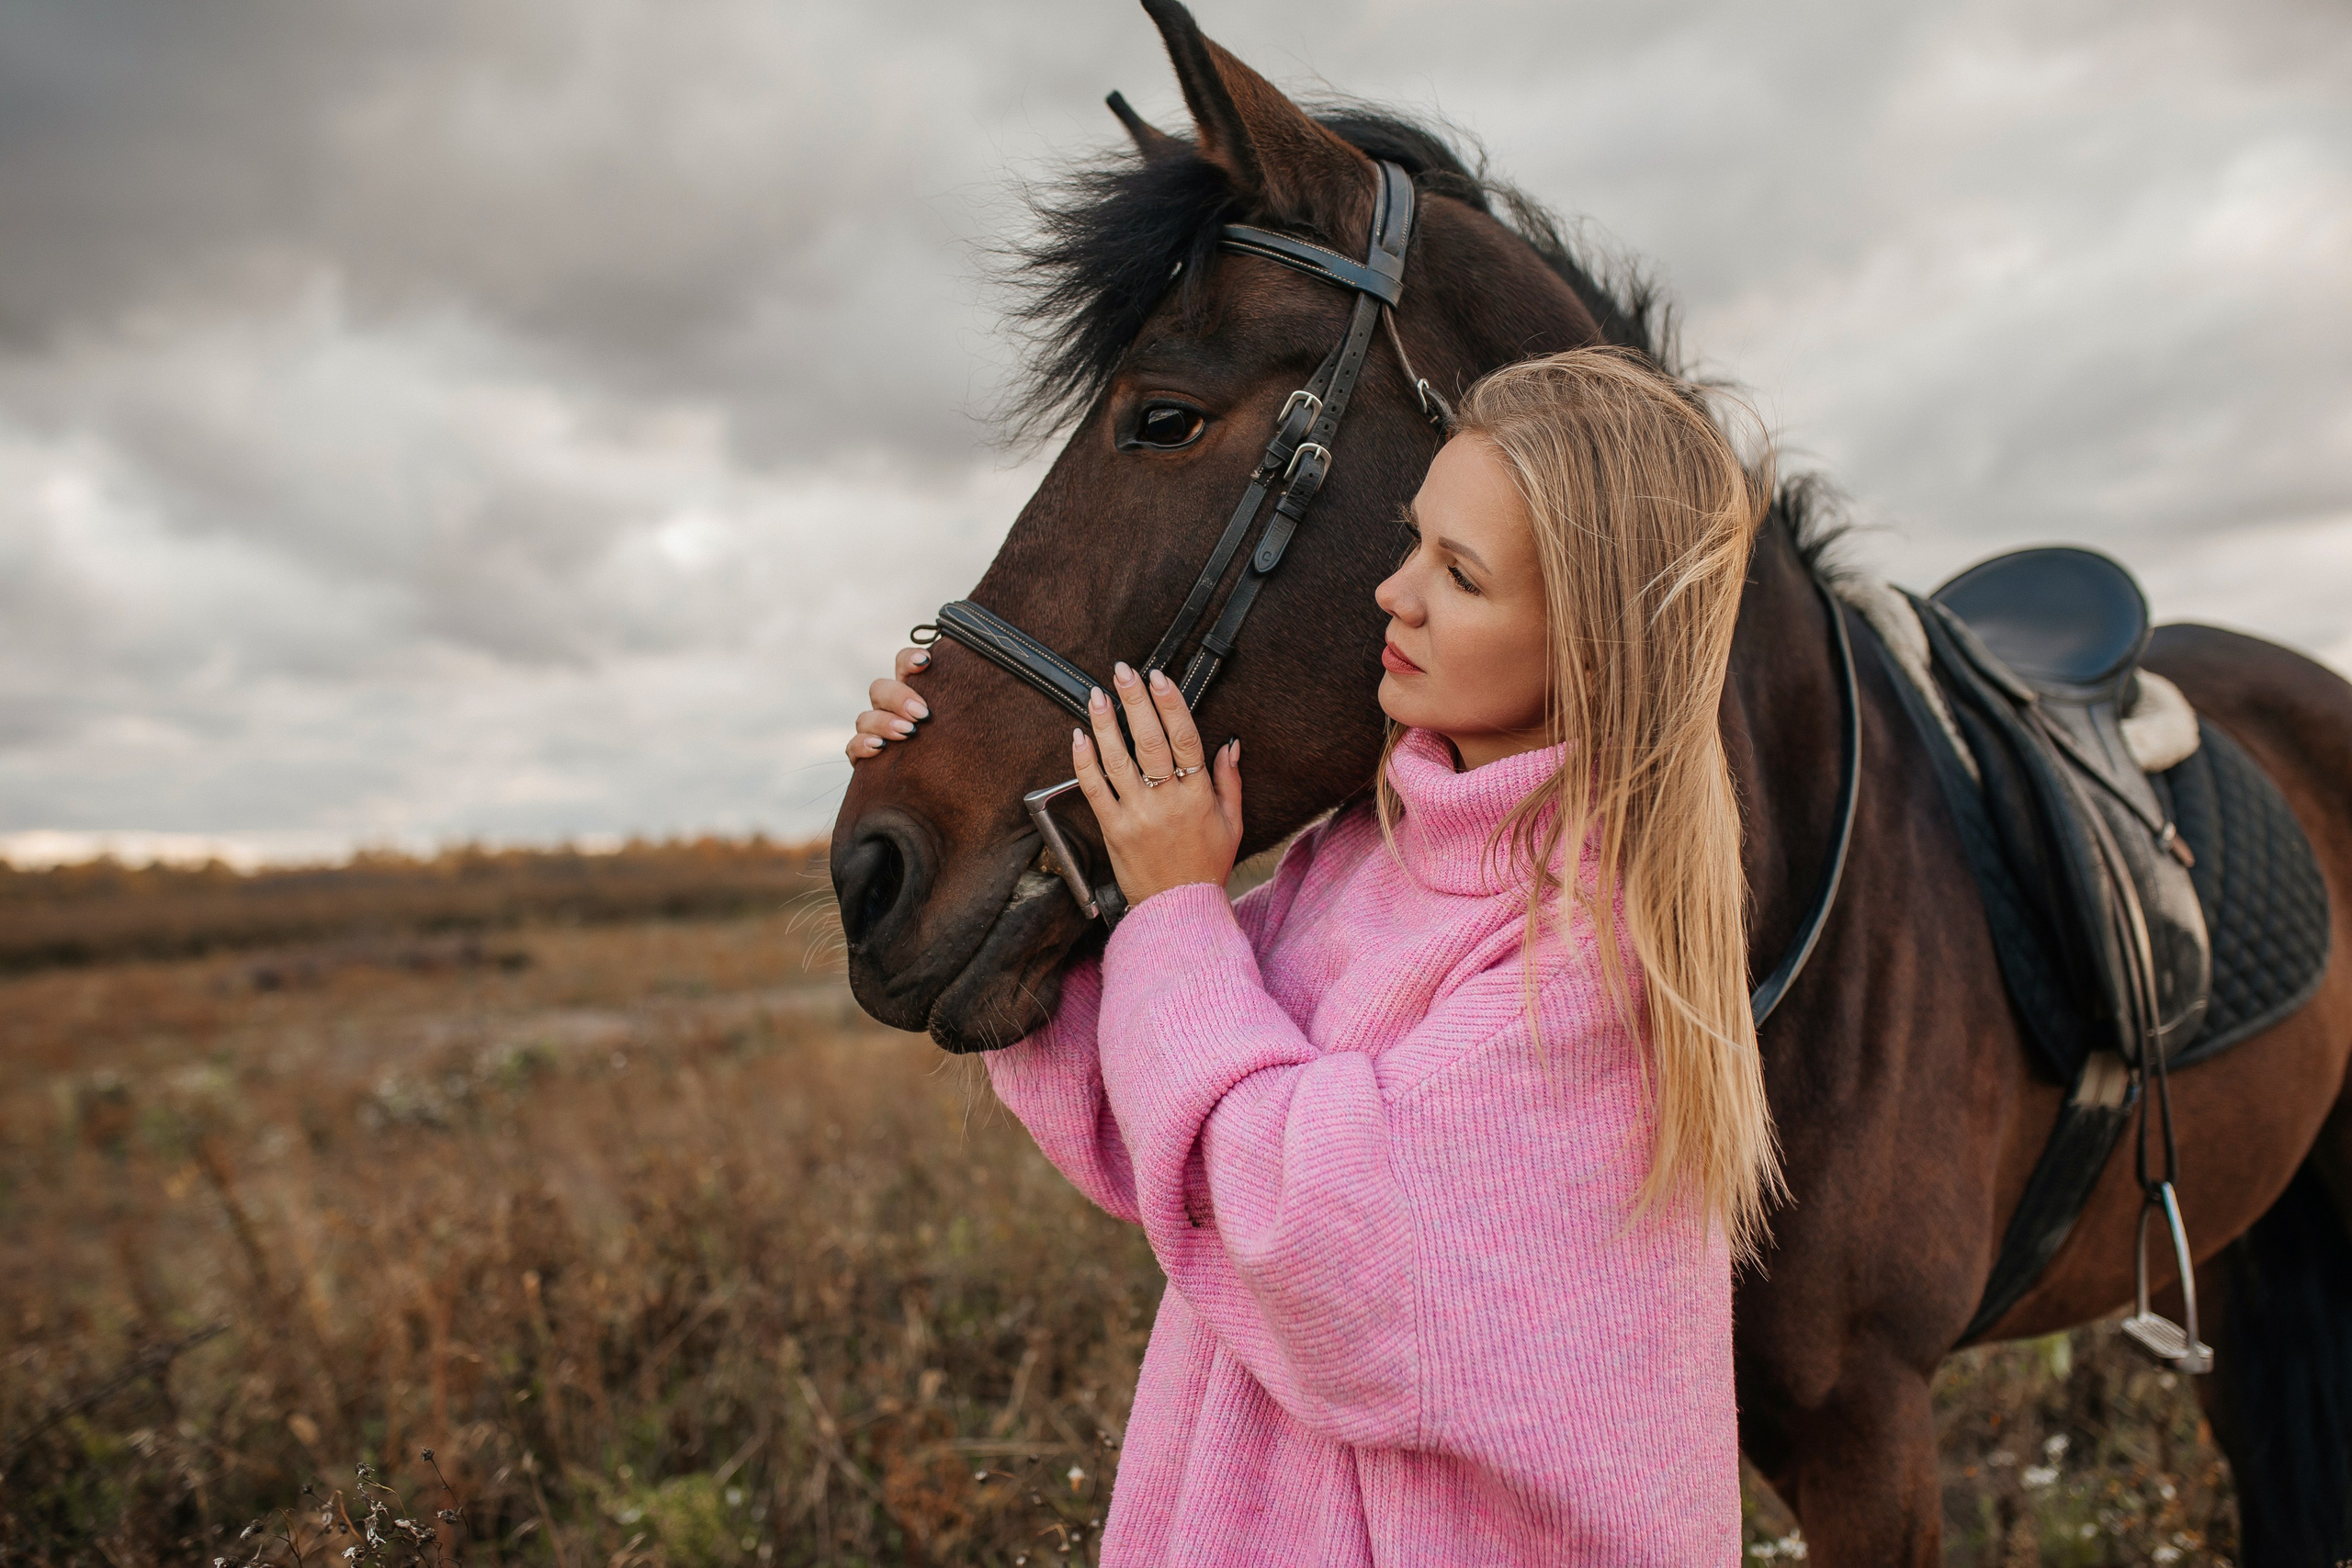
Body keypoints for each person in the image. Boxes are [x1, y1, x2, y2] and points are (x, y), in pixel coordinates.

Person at [847, 346, 1779, 1564]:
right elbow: (1166, 1114)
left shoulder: (1588, 961)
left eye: (1461, 575)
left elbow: (1319, 1242)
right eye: (1413, 543)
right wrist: (951, 782)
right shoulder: (1364, 857)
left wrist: (1181, 907)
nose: (1395, 595)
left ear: (1596, 646)